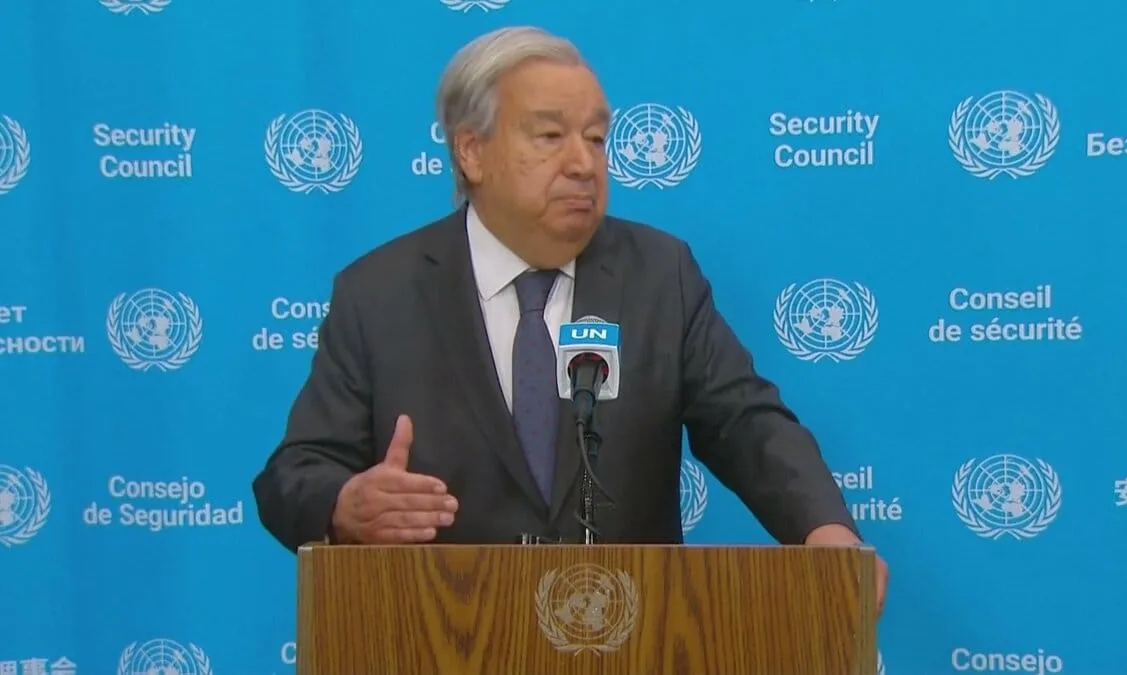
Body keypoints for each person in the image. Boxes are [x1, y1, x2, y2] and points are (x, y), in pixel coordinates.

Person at [250, 25, 888, 615]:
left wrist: (824, 528)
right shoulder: (379, 293)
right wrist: (345, 506)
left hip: (627, 634)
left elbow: (745, 423)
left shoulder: (659, 275)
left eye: (596, 138)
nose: (584, 164)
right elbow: (294, 474)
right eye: (551, 137)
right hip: (445, 629)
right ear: (472, 151)